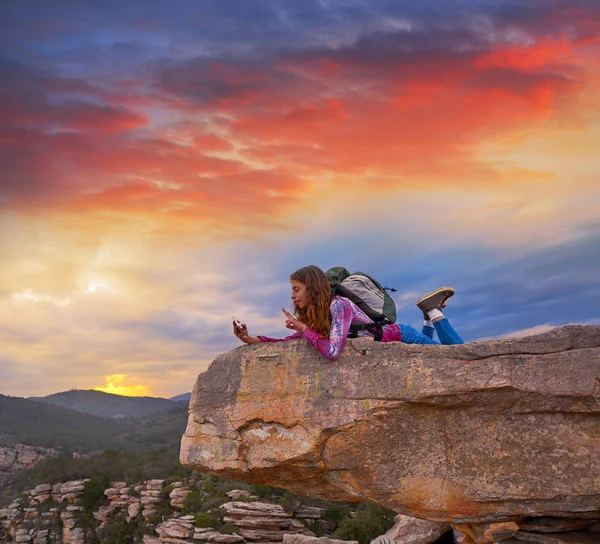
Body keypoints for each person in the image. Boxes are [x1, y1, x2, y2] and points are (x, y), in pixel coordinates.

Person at [233, 265, 463, 361]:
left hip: (402, 336)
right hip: (394, 340)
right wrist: (252, 340)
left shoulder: (339, 305)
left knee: (457, 356)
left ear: (312, 288)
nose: (292, 296)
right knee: (438, 355)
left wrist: (304, 329)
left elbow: (333, 351)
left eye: (296, 289)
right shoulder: (318, 313)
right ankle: (428, 319)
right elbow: (289, 341)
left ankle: (433, 311)